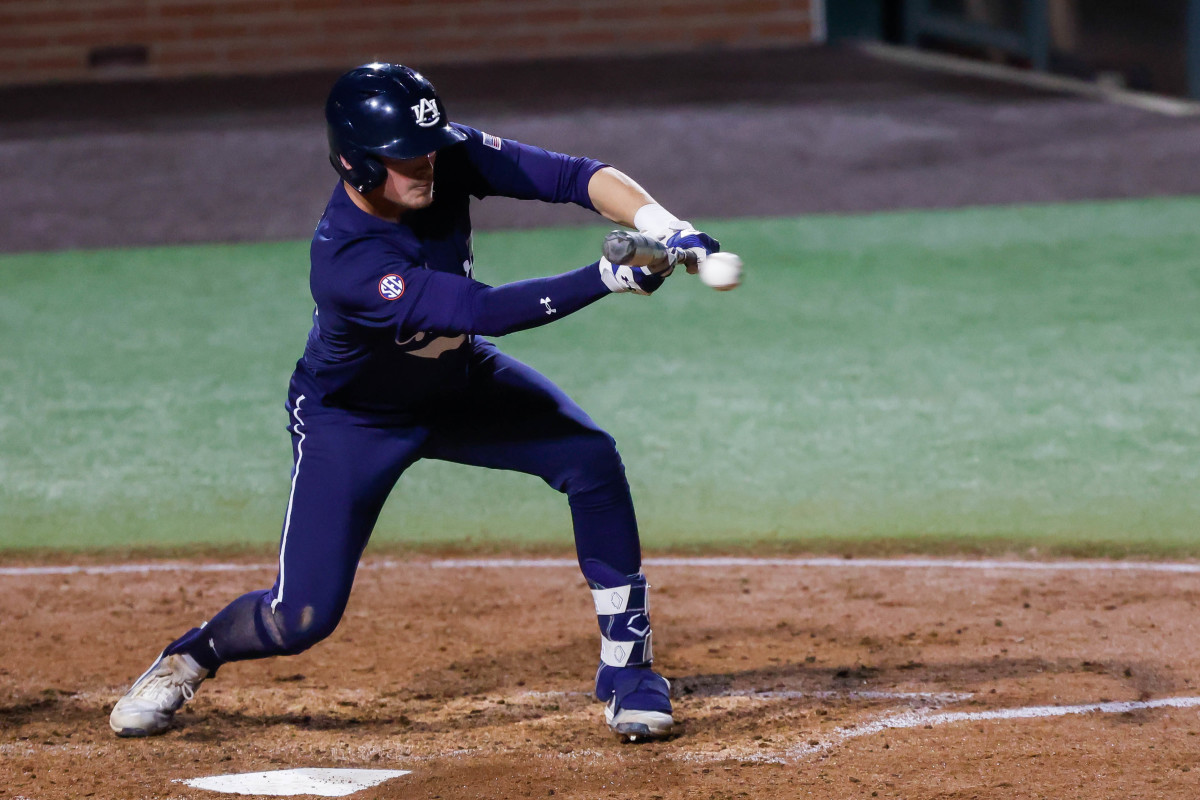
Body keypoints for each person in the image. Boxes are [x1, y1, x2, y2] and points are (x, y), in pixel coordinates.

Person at [108, 62, 719, 743]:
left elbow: (576, 177)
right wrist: (608, 277)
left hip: (456, 383)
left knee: (590, 460)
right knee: (299, 619)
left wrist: (666, 224)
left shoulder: (442, 157)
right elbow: (485, 310)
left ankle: (628, 672)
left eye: (427, 147)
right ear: (358, 163)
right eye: (405, 158)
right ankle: (190, 656)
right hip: (355, 420)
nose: (426, 164)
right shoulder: (349, 260)